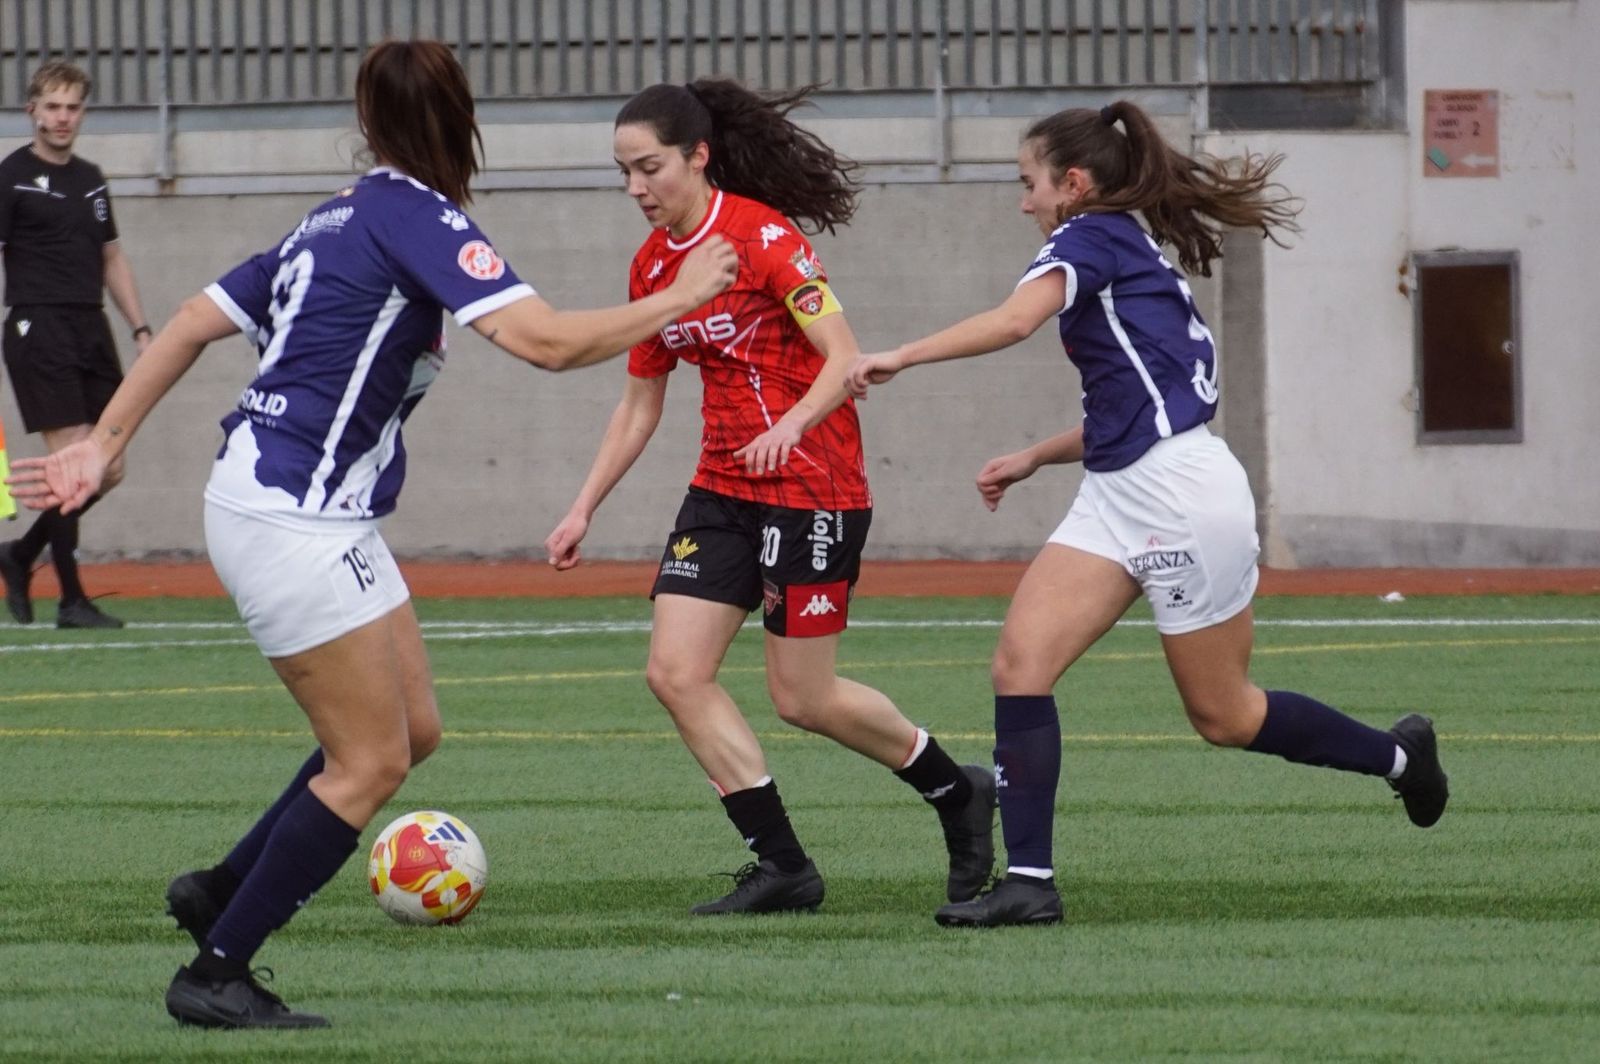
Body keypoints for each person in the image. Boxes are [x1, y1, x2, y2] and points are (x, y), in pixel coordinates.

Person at [7, 40, 737, 1028]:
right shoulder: (417, 219)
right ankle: (217, 969)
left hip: (305, 504)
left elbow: (185, 319)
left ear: (371, 124)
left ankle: (221, 885)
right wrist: (683, 295)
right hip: (290, 514)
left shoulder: (332, 217)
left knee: (413, 731)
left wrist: (102, 444)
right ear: (456, 125)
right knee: (368, 763)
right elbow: (547, 342)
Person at [846, 99, 1450, 928]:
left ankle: (1398, 755)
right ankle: (1029, 884)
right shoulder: (1123, 248)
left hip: (1179, 497)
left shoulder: (1088, 239)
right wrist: (1035, 457)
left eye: (1030, 184)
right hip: (1120, 489)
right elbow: (1135, 404)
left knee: (1225, 715)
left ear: (1074, 183)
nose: (1024, 202)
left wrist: (899, 356)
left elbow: (1017, 320)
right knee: (1020, 666)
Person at [543, 80, 997, 916]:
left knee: (803, 698)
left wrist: (791, 425)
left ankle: (957, 791)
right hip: (721, 487)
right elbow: (640, 403)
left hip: (812, 487)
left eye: (650, 168)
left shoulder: (764, 237)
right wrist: (584, 505)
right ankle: (784, 865)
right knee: (675, 674)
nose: (637, 189)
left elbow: (841, 355)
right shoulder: (652, 266)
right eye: (624, 173)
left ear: (698, 157)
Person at [0, 61, 154, 628]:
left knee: (108, 465)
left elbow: (112, 257)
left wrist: (140, 328)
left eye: (72, 108)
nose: (63, 117)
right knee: (71, 461)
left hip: (91, 327)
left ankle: (19, 554)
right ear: (33, 111)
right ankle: (70, 599)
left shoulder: (90, 178)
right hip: (37, 327)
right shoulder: (10, 176)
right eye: (53, 106)